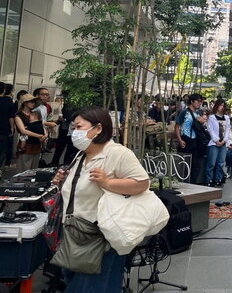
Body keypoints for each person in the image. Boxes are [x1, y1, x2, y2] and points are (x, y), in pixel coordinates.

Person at [51, 107, 149, 292]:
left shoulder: (117, 153)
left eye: (79, 127)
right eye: (73, 127)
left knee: (90, 287)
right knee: (81, 283)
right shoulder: (81, 154)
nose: (75, 132)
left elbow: (142, 183)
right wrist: (63, 182)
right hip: (74, 233)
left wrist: (108, 182)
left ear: (98, 128)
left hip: (101, 237)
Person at [174, 93, 208, 184]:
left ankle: (193, 182)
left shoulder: (198, 113)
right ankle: (184, 182)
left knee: (196, 164)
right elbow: (177, 126)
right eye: (198, 101)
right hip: (186, 139)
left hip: (196, 140)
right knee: (185, 163)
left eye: (201, 101)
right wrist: (180, 140)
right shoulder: (185, 112)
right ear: (192, 101)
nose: (199, 103)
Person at [14, 94, 47, 172]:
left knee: (34, 168)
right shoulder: (19, 116)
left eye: (34, 102)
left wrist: (45, 135)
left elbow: (42, 125)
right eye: (31, 102)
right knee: (23, 169)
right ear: (25, 103)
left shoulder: (35, 114)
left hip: (37, 144)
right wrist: (39, 136)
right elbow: (23, 130)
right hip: (26, 144)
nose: (33, 103)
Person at [206, 99, 231, 187]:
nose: (221, 107)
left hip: (223, 143)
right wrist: (216, 140)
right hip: (214, 142)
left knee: (220, 163)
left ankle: (218, 179)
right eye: (220, 105)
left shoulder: (226, 117)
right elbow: (210, 129)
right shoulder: (212, 117)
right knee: (211, 163)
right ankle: (209, 179)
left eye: (223, 106)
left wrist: (224, 140)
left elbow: (227, 130)